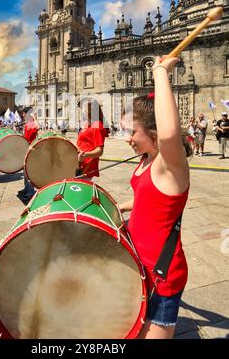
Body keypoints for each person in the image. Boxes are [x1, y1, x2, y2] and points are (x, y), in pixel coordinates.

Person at [119, 56, 191, 339]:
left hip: (162, 276)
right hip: (139, 266)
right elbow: (148, 200)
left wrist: (160, 72)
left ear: (153, 132)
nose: (127, 139)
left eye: (130, 132)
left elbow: (171, 133)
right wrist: (117, 207)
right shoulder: (147, 160)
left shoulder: (169, 166)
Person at [76, 99, 107, 181]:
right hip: (79, 163)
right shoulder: (86, 124)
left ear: (90, 109)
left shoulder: (97, 125)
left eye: (83, 107)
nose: (81, 110)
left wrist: (85, 155)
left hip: (87, 166)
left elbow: (99, 151)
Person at [17, 110, 39, 205]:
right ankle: (26, 188)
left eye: (24, 113)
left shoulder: (32, 123)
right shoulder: (27, 124)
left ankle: (30, 192)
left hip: (31, 150)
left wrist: (35, 118)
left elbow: (38, 127)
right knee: (25, 170)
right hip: (26, 149)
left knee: (29, 171)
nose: (23, 114)